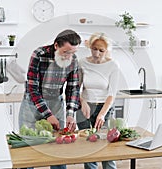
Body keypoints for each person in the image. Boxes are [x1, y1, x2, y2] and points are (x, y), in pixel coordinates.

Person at [19, 29, 82, 169]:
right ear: (56, 46)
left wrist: (71, 114)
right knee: (28, 151)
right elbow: (32, 89)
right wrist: (48, 115)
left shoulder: (73, 60)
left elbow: (73, 89)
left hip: (56, 102)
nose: (69, 56)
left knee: (58, 152)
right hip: (33, 104)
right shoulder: (39, 55)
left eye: (73, 53)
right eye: (66, 52)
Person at [76, 32, 120, 169]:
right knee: (88, 148)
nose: (97, 53)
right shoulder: (82, 62)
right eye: (94, 49)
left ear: (107, 51)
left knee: (106, 146)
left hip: (104, 108)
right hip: (85, 108)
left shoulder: (113, 65)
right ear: (90, 47)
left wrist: (102, 114)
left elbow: (112, 93)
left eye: (101, 50)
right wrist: (82, 102)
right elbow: (77, 87)